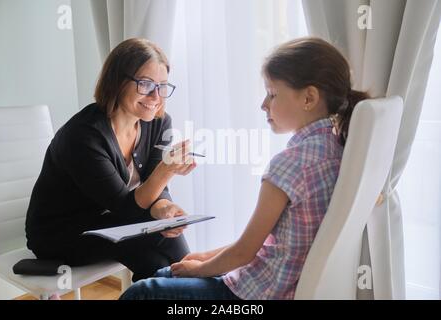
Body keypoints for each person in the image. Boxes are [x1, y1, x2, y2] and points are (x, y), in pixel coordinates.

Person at [119, 37, 370, 300]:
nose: (264, 104)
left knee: (144, 292)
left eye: (272, 94)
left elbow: (244, 252)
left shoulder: (290, 164)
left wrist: (202, 269)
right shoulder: (338, 148)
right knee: (165, 275)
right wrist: (204, 258)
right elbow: (266, 245)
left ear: (309, 98)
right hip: (274, 283)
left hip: (254, 296)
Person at [25, 38, 196, 282]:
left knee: (161, 252)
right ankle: (196, 287)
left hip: (110, 222)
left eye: (163, 86)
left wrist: (164, 209)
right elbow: (126, 208)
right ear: (117, 81)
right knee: (155, 258)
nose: (156, 96)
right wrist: (165, 171)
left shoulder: (158, 122)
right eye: (145, 84)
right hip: (62, 234)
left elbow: (152, 186)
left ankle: (197, 288)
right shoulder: (83, 135)